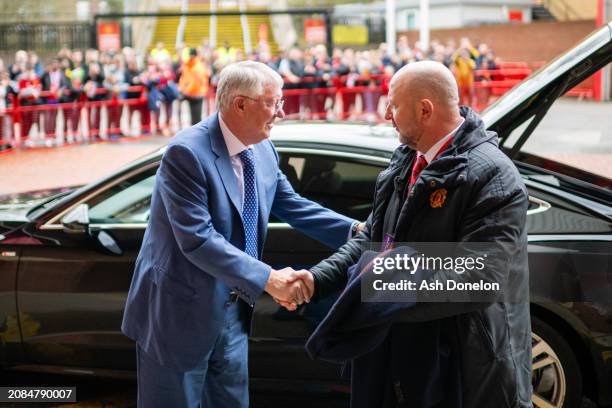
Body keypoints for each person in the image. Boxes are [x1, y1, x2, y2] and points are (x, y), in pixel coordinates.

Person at [288, 61, 532, 407]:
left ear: (425, 110)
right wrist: (318, 279)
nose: (386, 114)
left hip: (461, 369)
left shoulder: (493, 176)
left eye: (393, 104)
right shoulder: (405, 159)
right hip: (400, 355)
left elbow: (480, 278)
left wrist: (378, 285)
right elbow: (373, 236)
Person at [121, 61, 362, 408]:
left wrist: (355, 230)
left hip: (233, 312)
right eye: (273, 102)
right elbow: (198, 239)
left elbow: (290, 203)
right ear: (240, 104)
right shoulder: (186, 153)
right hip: (178, 315)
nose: (281, 112)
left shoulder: (263, 147)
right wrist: (270, 279)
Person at [178, 48, 208, 125]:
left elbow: (196, 82)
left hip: (197, 93)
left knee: (196, 118)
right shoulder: (189, 65)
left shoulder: (197, 66)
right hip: (192, 93)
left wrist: (185, 90)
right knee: (194, 118)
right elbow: (183, 79)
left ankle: (197, 135)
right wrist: (183, 89)